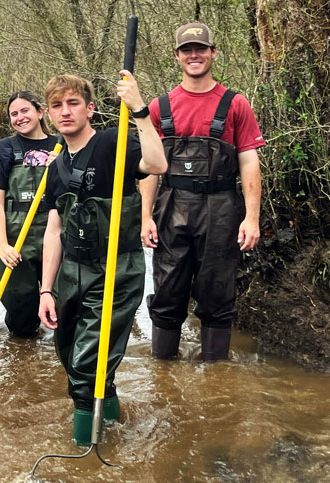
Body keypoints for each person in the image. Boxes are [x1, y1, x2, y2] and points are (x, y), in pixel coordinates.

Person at [38, 72, 166, 445]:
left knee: (85, 367)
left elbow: (157, 165)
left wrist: (139, 109)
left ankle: (86, 455)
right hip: (72, 272)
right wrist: (46, 290)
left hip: (116, 268)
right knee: (71, 357)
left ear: (90, 108)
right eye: (57, 105)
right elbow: (53, 231)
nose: (65, 111)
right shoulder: (55, 166)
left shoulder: (114, 140)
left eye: (73, 103)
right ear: (48, 114)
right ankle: (113, 429)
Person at [140, 22, 264, 362]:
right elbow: (150, 167)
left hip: (222, 209)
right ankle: (162, 372)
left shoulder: (236, 104)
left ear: (213, 53)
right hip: (171, 207)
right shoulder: (158, 107)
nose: (194, 55)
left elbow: (249, 163)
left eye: (200, 49)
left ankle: (216, 375)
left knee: (217, 292)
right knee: (167, 291)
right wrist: (145, 216)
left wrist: (251, 218)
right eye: (186, 50)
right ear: (177, 56)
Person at [0, 91, 58, 337]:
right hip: (15, 235)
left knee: (62, 303)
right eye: (13, 114)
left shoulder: (62, 145)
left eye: (25, 110)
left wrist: (62, 165)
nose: (19, 117)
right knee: (19, 308)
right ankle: (23, 361)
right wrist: (3, 245)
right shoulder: (2, 150)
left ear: (40, 112)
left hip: (55, 232)